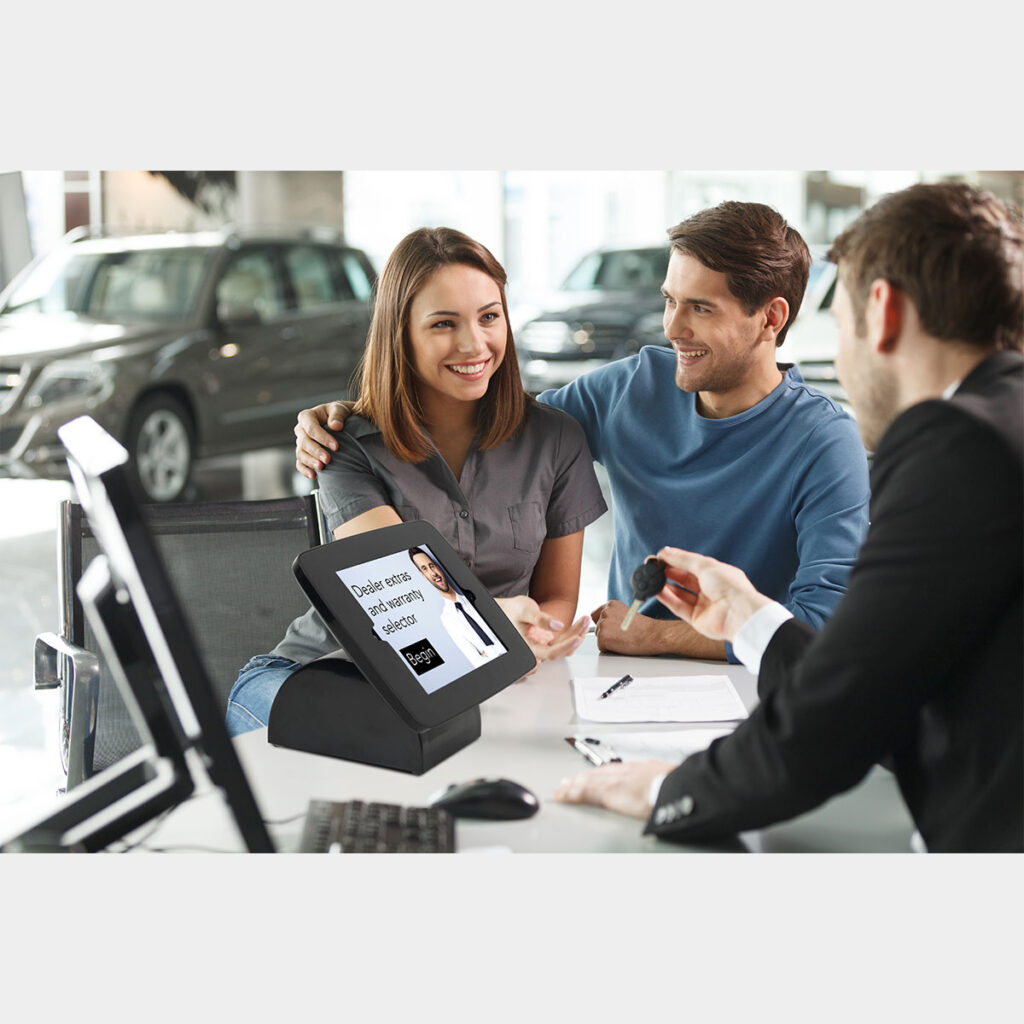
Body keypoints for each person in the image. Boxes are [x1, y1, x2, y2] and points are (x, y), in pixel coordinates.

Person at [553, 182, 1024, 853]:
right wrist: (746, 616)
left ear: (881, 312)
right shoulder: (1005, 423)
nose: (842, 358)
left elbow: (835, 723)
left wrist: (662, 789)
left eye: (842, 325)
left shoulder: (956, 446)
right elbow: (878, 669)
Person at [293, 202, 870, 664]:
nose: (672, 327)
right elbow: (492, 418)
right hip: (620, 675)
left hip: (750, 683)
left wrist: (657, 636)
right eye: (669, 300)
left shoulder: (825, 441)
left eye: (700, 308)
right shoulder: (627, 390)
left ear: (771, 318)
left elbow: (823, 626)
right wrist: (353, 415)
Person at [225, 227, 606, 736]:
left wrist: (534, 636)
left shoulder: (555, 438)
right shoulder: (346, 445)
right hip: (320, 678)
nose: (475, 343)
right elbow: (407, 600)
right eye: (444, 324)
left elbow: (557, 598)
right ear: (399, 333)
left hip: (475, 687)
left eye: (489, 317)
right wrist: (497, 628)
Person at [408, 546, 500, 667]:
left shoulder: (475, 596)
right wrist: (496, 650)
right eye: (425, 569)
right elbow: (476, 662)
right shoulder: (447, 619)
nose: (433, 573)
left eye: (432, 566)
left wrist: (489, 652)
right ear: (423, 576)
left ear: (439, 567)